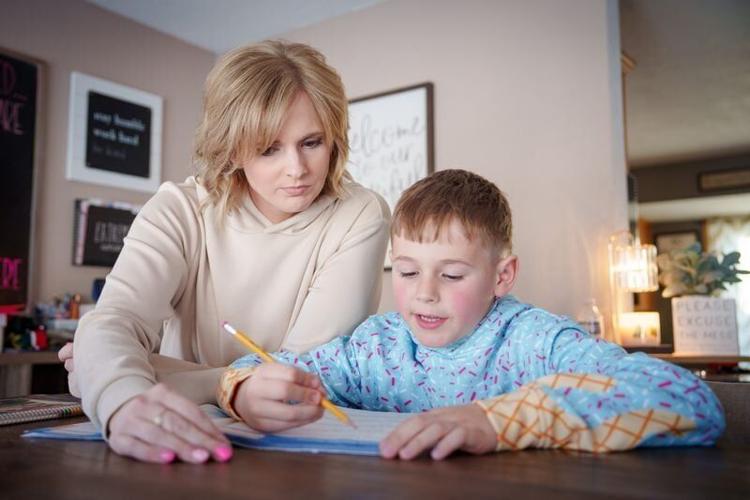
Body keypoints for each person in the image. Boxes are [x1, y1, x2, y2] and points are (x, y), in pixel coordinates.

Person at [218, 169, 725, 460]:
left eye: (453, 275)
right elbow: (254, 370)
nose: (425, 295)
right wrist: (244, 390)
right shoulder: (376, 346)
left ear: (502, 277)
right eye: (408, 272)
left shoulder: (533, 342)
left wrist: (497, 419)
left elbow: (692, 400)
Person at [60, 40, 390, 464]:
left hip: (296, 451)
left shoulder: (360, 213)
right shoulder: (181, 208)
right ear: (233, 148)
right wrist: (123, 400)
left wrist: (124, 370)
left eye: (312, 142)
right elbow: (113, 322)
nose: (297, 169)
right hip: (180, 437)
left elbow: (301, 378)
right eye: (270, 148)